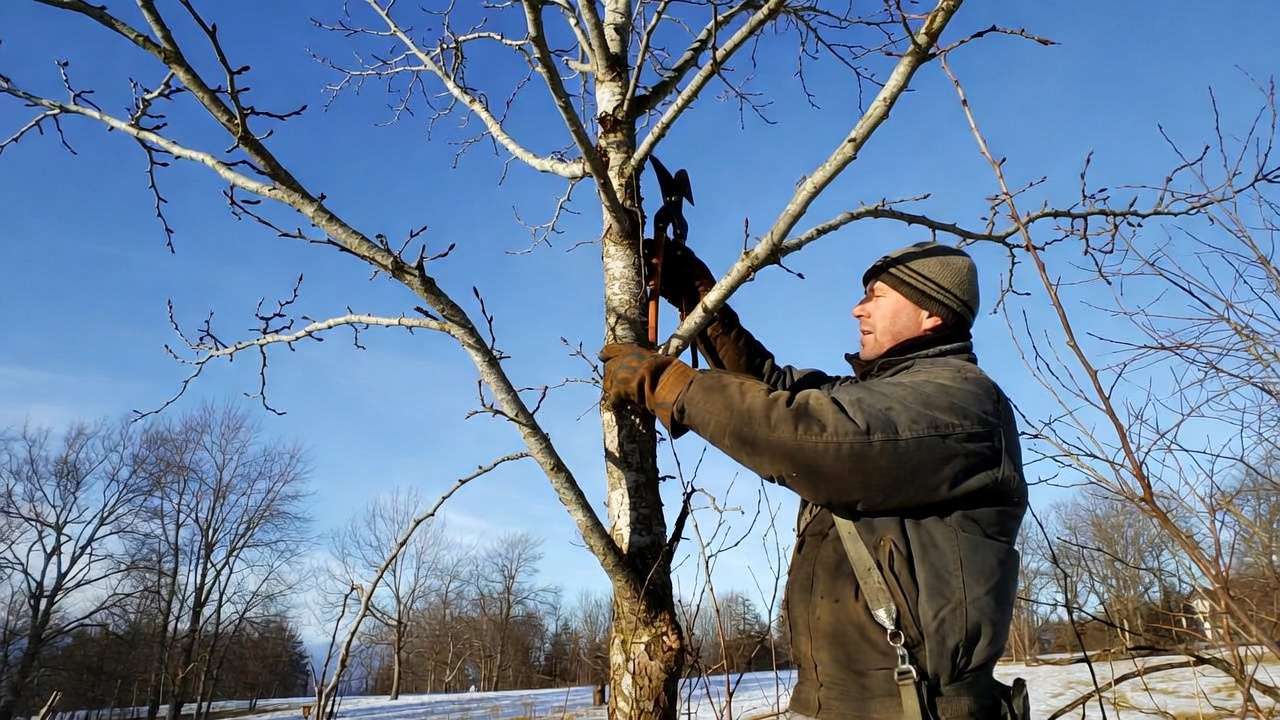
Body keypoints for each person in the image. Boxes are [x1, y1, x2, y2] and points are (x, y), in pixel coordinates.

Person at [600, 241, 1028, 720]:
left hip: (918, 705)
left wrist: (667, 383)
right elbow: (774, 386)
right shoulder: (876, 396)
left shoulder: (959, 404)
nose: (858, 309)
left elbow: (808, 435)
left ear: (931, 313)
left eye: (876, 296)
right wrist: (702, 303)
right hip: (845, 702)